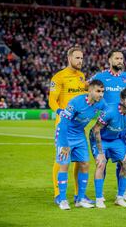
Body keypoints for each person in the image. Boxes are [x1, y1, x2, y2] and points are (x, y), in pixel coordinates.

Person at [48, 46, 92, 205]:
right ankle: (58, 194)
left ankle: (77, 195)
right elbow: (52, 100)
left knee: (81, 161)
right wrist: (60, 112)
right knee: (62, 160)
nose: (80, 61)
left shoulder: (81, 76)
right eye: (77, 58)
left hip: (79, 126)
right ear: (69, 58)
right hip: (65, 125)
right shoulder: (58, 77)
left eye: (81, 58)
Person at [55, 79, 107, 210]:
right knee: (64, 165)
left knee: (85, 164)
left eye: (102, 91)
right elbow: (63, 124)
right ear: (89, 90)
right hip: (65, 134)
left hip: (79, 135)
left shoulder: (100, 103)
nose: (101, 94)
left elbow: (111, 109)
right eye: (98, 91)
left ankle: (80, 198)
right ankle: (62, 199)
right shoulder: (76, 102)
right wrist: (65, 144)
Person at [89, 88, 126, 208]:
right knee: (101, 163)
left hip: (115, 140)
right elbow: (96, 130)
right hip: (100, 138)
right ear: (122, 100)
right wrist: (100, 153)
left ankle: (120, 198)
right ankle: (99, 199)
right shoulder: (110, 111)